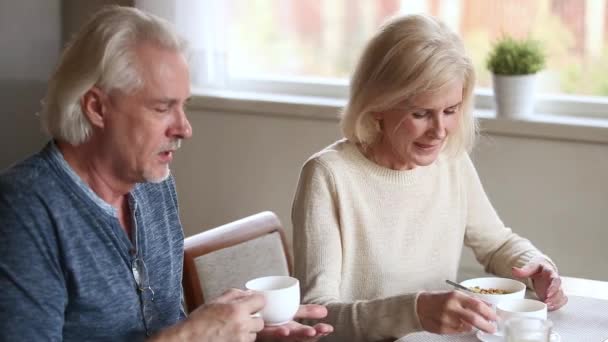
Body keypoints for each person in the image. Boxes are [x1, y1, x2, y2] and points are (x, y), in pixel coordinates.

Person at [0, 6, 332, 342]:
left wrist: (243, 333)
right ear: (97, 108)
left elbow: (166, 327)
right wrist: (189, 337)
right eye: (162, 108)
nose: (185, 128)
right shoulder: (22, 211)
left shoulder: (153, 186)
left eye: (184, 104)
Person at [291, 14, 567, 342]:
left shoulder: (450, 161)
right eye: (420, 113)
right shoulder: (327, 175)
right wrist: (415, 312)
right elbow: (317, 317)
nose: (439, 132)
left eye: (450, 111)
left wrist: (535, 266)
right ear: (377, 105)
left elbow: (496, 244)